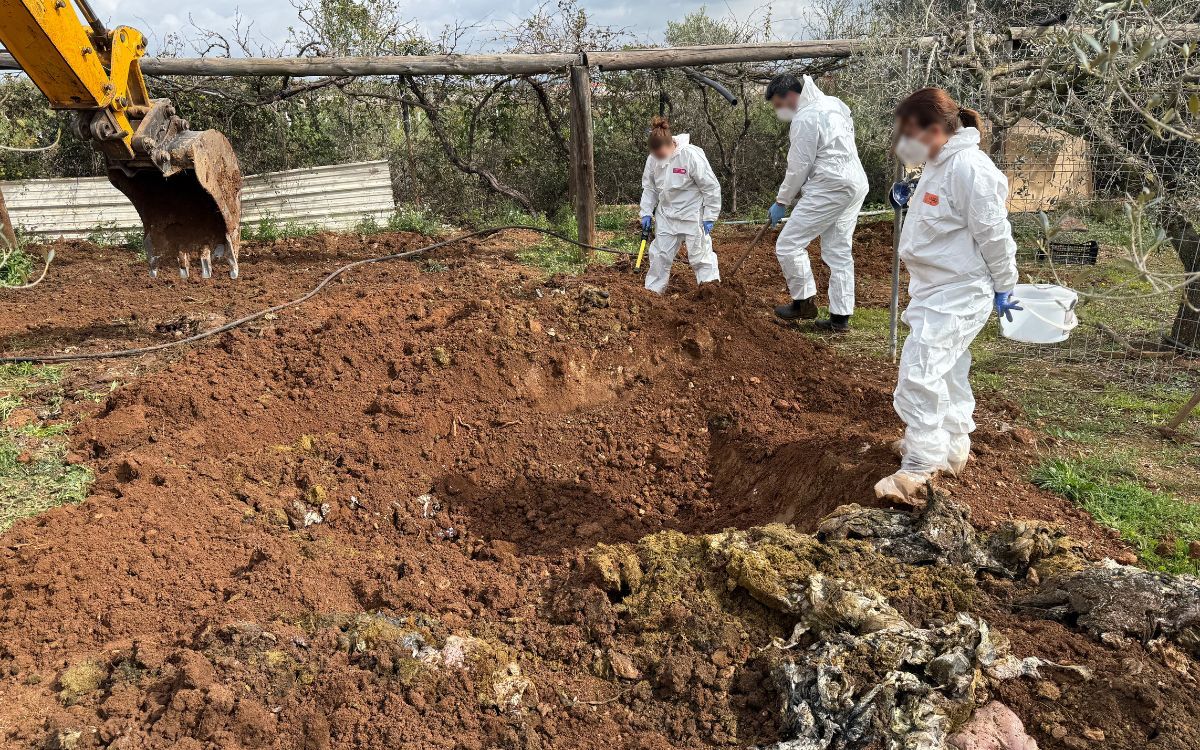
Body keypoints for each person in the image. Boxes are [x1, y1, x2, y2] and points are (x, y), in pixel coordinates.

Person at [875, 87, 1022, 504]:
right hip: (932, 287)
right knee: (949, 369)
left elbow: (994, 233)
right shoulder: (941, 163)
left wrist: (1005, 284)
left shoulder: (972, 169)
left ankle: (920, 467)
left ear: (937, 129)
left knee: (919, 372)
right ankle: (953, 448)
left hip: (959, 291)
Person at [765, 73, 869, 333]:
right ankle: (840, 318)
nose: (780, 111)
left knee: (789, 244)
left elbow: (799, 166)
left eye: (779, 105)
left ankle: (803, 302)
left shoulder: (805, 118)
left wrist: (782, 201)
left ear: (790, 96)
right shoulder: (834, 103)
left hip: (831, 185)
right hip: (855, 182)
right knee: (838, 251)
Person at [639, 116, 722, 294]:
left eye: (661, 154)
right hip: (667, 216)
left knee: (701, 257)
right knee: (660, 256)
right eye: (655, 155)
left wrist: (710, 216)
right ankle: (652, 294)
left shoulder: (690, 155)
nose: (658, 158)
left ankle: (711, 293)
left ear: (670, 145)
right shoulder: (652, 159)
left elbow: (710, 187)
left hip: (692, 215)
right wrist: (646, 211)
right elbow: (650, 187)